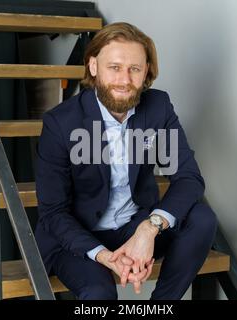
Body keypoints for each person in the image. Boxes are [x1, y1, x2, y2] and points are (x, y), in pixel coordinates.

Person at [34, 22, 217, 300]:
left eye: (134, 69)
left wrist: (149, 228)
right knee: (98, 294)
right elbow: (54, 213)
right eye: (115, 67)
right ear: (94, 67)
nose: (124, 80)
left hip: (135, 224)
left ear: (146, 73)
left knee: (202, 218)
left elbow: (188, 178)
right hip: (79, 236)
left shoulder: (157, 107)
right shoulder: (61, 123)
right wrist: (104, 256)